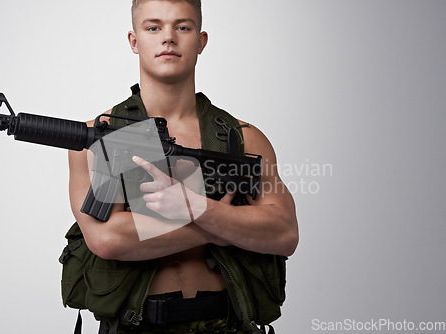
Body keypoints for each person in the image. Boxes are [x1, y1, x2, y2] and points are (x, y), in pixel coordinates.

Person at [67, 0, 298, 333]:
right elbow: (107, 238)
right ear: (134, 41)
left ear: (201, 41)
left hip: (228, 325)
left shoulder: (243, 139)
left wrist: (196, 207)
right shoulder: (99, 137)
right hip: (137, 326)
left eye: (183, 27)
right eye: (153, 27)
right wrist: (221, 226)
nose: (168, 38)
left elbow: (284, 232)